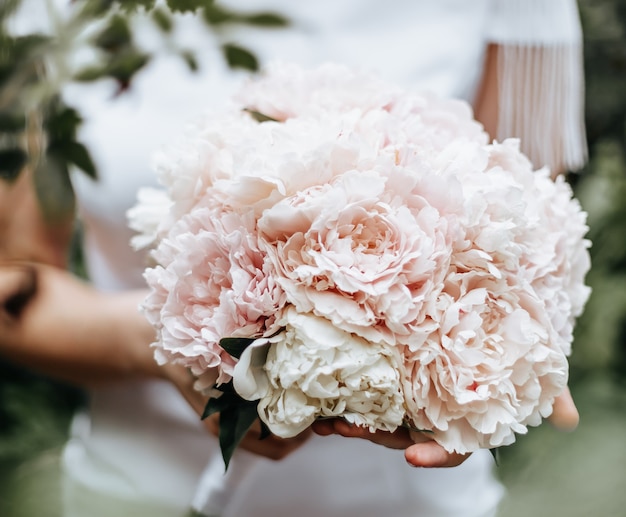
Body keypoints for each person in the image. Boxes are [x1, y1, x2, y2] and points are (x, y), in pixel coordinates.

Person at [0, 1, 585, 516]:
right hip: (133, 494)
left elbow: (519, 254)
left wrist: (497, 378)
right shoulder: (58, 14)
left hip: (407, 504)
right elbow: (13, 280)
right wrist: (159, 343)